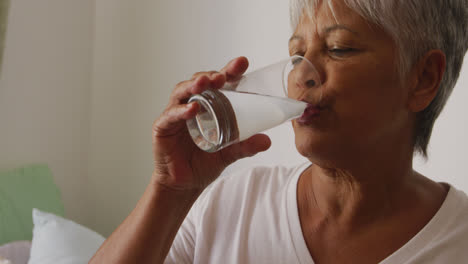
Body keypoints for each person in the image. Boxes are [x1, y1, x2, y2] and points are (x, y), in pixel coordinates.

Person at [90, 0, 468, 263]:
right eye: (297, 51)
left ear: (423, 78)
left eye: (339, 49)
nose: (302, 73)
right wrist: (170, 190)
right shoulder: (230, 206)